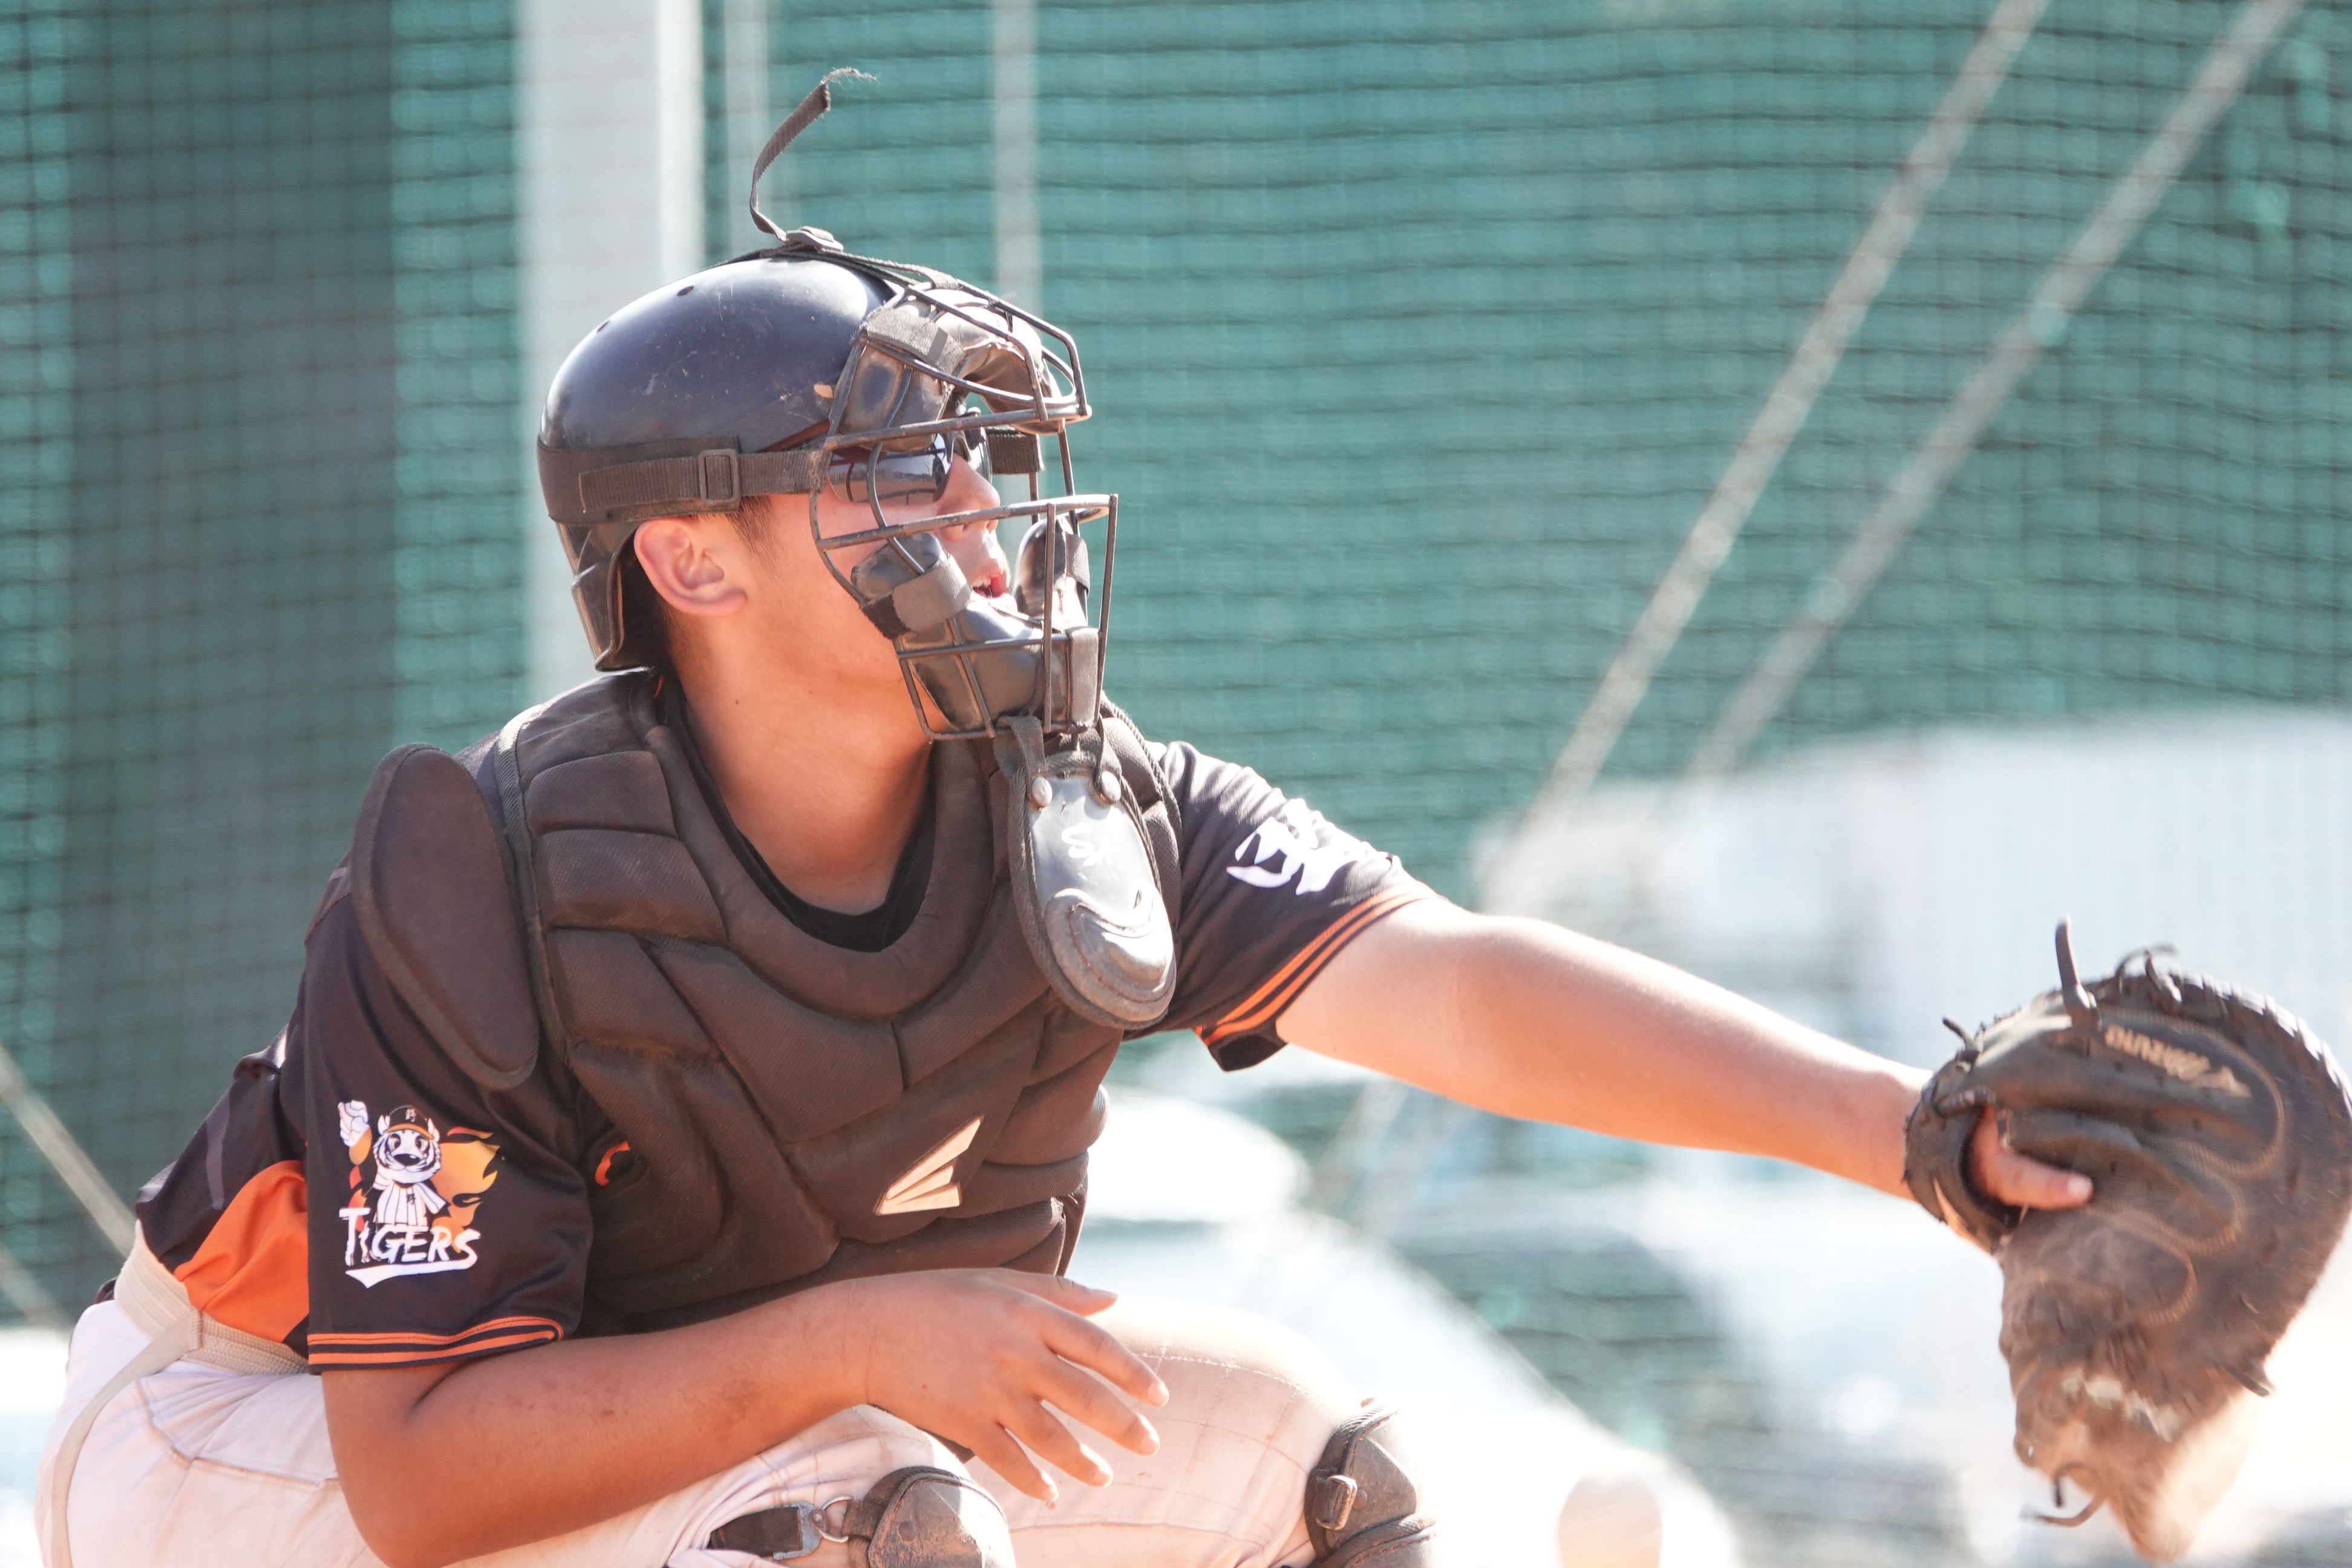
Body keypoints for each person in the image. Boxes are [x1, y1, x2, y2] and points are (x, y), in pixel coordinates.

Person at [33, 97, 2088, 1568]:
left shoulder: (1080, 799)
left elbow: (1461, 987)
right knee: (862, 1515)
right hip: (254, 1432)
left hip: (768, 1428)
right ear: (693, 559)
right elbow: (421, 1475)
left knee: (1309, 1463)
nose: (977, 513)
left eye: (974, 456)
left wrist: (1917, 1136)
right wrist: (853, 1343)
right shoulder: (481, 869)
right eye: (890, 469)